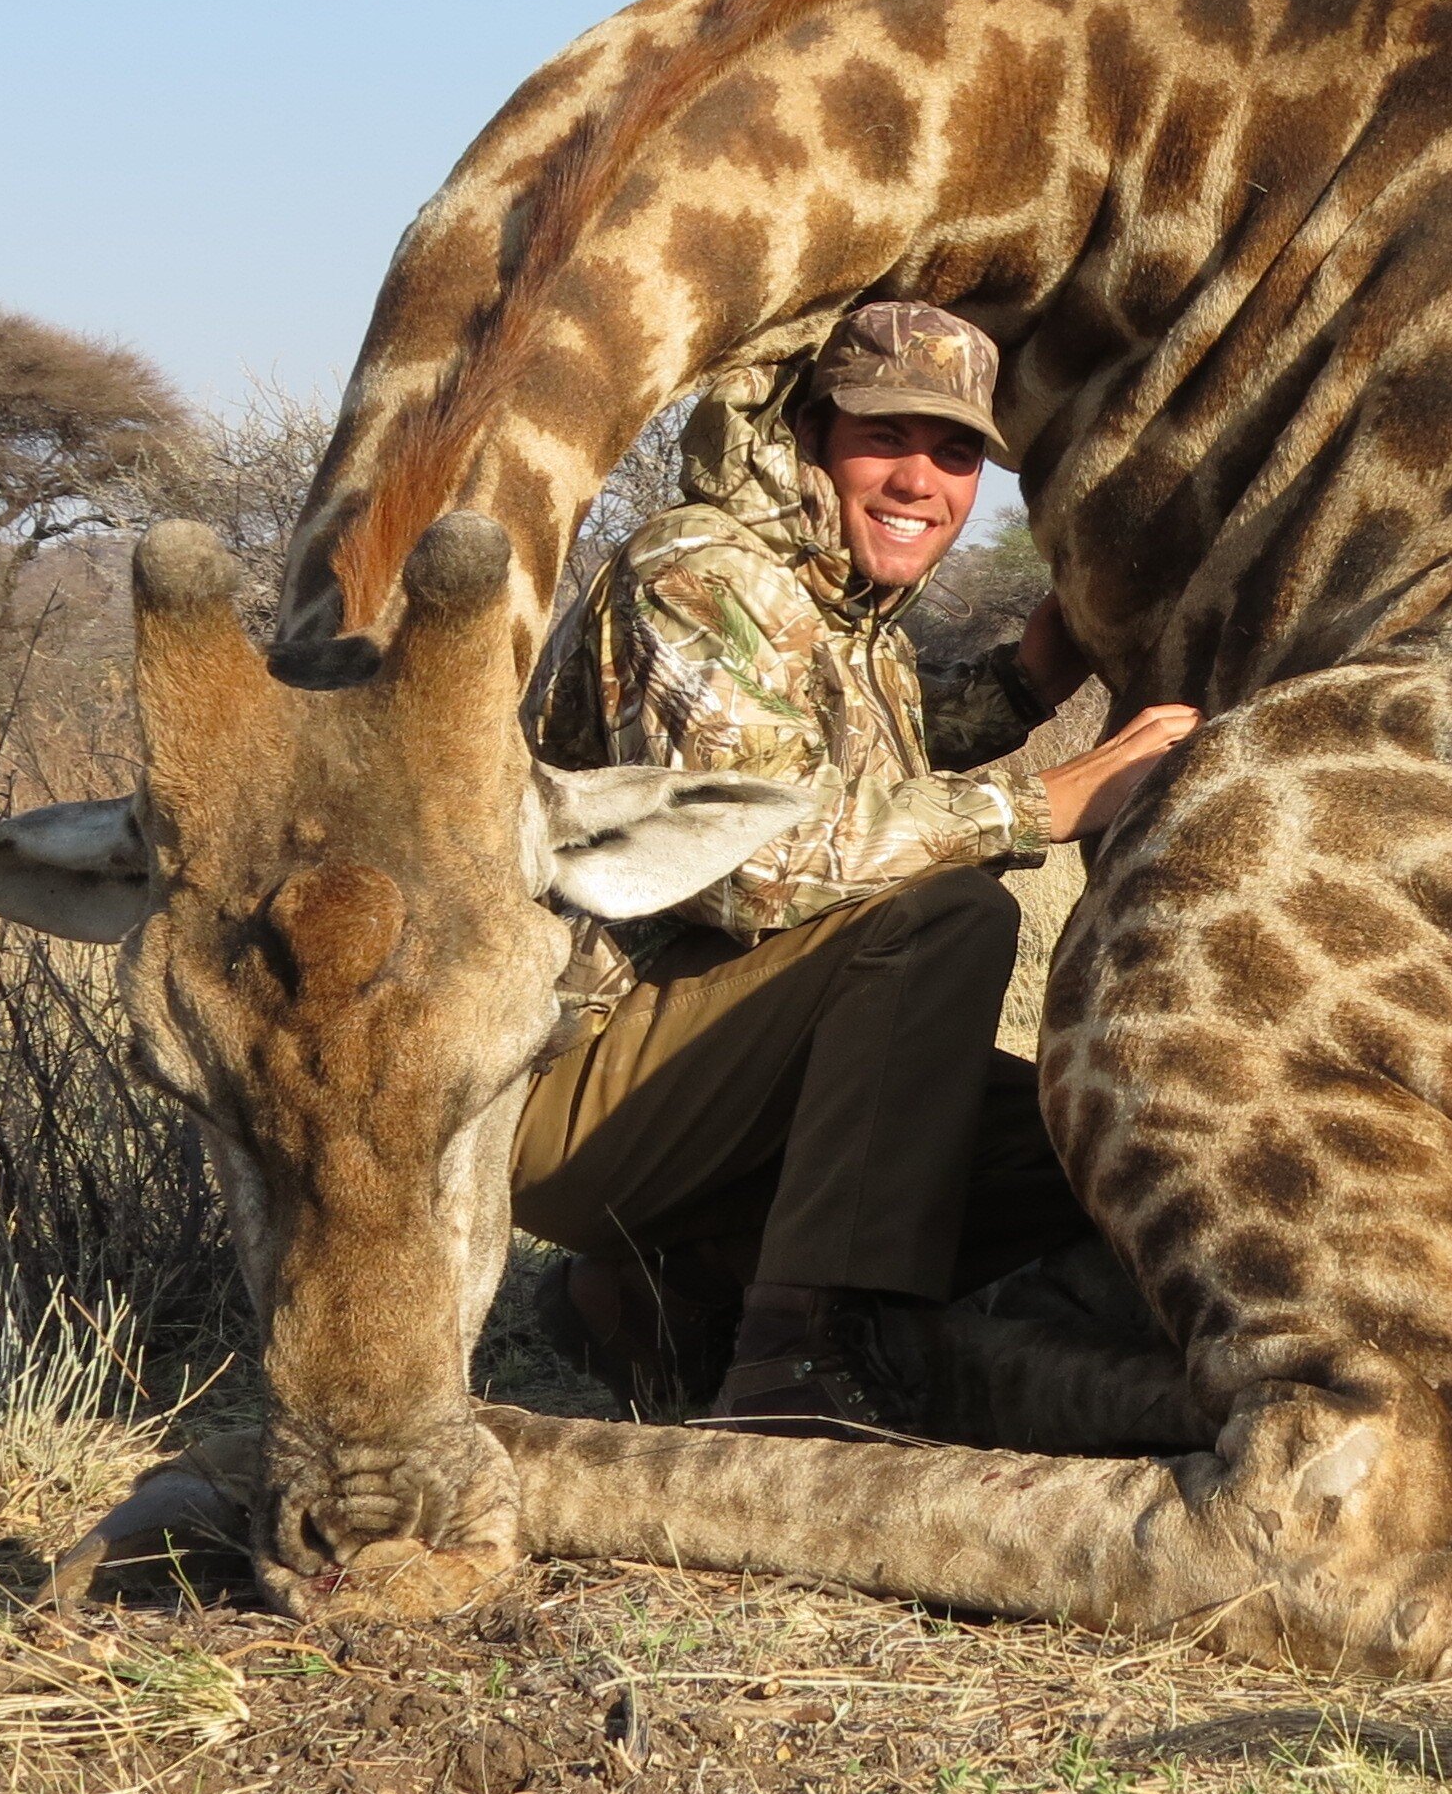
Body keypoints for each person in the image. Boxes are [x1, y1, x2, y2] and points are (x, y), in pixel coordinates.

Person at [514, 301, 1200, 1434]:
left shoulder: (847, 609)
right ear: (810, 433)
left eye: (957, 452)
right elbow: (753, 865)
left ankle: (678, 1289)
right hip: (576, 1094)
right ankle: (794, 1371)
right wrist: (1041, 801)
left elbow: (837, 753)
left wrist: (1034, 676)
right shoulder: (696, 570)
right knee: (944, 918)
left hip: (703, 1081)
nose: (920, 481)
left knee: (1089, 1152)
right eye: (885, 437)